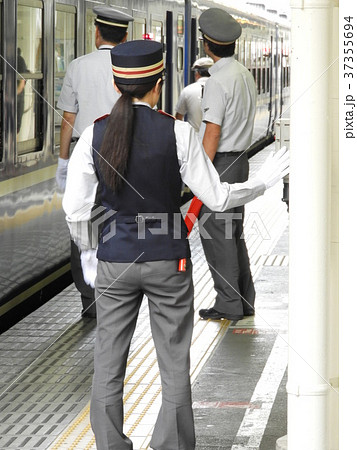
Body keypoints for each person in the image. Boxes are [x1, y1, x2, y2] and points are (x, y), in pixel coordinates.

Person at [62, 39, 288, 450]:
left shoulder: (94, 135)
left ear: (116, 86)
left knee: (108, 362)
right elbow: (217, 198)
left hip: (115, 261)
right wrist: (263, 182)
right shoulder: (178, 132)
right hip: (169, 261)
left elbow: (75, 209)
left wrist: (94, 256)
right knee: (173, 362)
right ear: (158, 84)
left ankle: (111, 445)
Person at [56, 6, 133, 318]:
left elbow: (67, 119)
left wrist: (63, 162)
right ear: (125, 36)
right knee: (119, 221)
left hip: (85, 155)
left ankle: (89, 298)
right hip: (124, 154)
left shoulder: (77, 66)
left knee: (83, 221)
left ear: (96, 33)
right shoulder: (130, 66)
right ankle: (118, 293)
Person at [197, 8, 259, 322]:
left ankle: (228, 304)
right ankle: (245, 300)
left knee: (215, 233)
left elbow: (212, 130)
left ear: (207, 44)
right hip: (241, 162)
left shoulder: (217, 81)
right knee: (233, 233)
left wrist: (201, 172)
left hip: (220, 164)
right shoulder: (244, 74)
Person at [175, 57, 213, 132]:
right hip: (216, 140)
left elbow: (178, 118)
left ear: (197, 74)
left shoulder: (187, 91)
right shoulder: (222, 90)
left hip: (194, 139)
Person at [17, 48, 28, 134]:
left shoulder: (19, 60)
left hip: (17, 98)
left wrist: (14, 95)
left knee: (16, 127)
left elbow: (22, 81)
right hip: (15, 97)